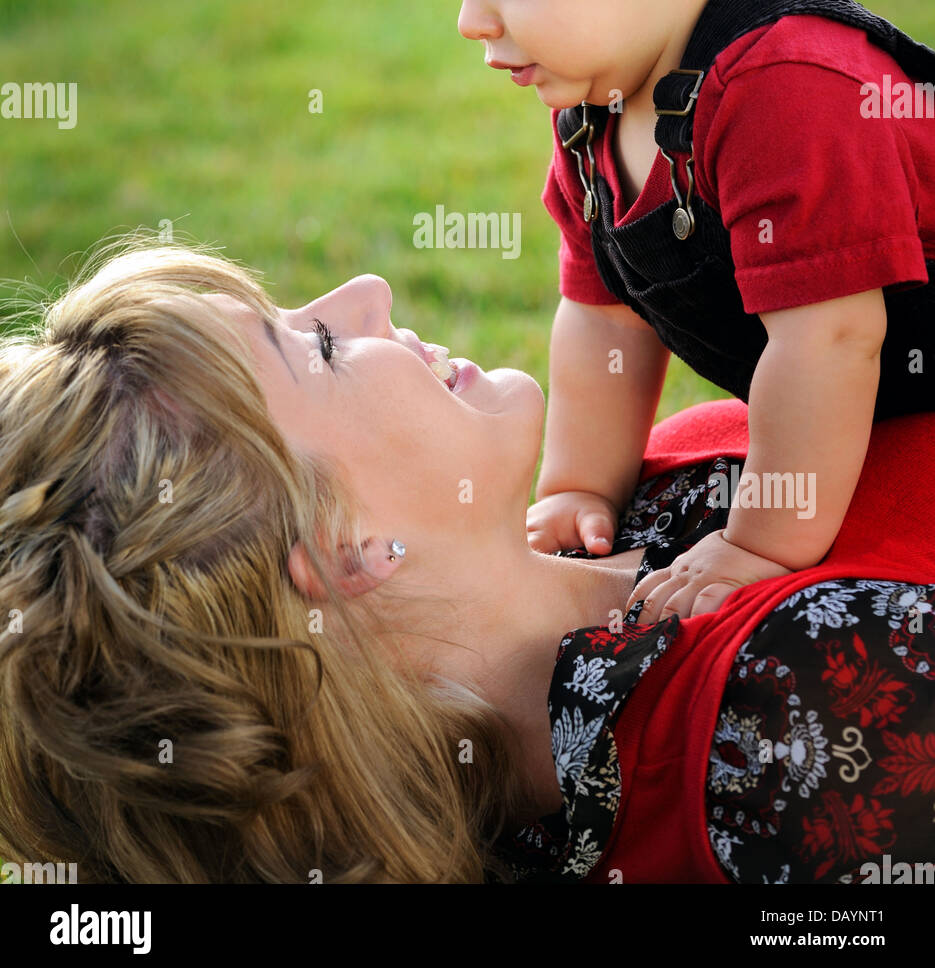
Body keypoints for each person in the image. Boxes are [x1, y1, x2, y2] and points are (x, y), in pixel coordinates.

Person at [0, 240, 932, 884]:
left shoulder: (638, 497)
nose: (366, 291)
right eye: (319, 348)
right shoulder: (787, 718)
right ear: (346, 550)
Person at [381, 0, 935, 622]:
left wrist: (760, 541)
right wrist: (577, 487)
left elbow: (830, 335)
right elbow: (602, 313)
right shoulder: (598, 99)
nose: (470, 15)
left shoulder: (787, 88)